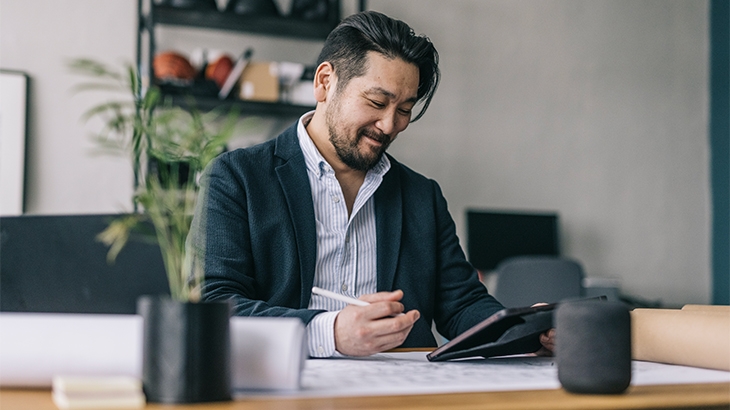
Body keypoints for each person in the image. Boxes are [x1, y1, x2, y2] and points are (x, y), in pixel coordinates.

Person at [186, 10, 555, 357]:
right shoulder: (236, 178)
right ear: (325, 82)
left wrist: (521, 329)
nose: (390, 125)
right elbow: (214, 303)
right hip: (288, 386)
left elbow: (462, 304)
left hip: (402, 394)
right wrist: (331, 332)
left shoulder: (421, 196)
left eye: (406, 109)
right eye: (377, 101)